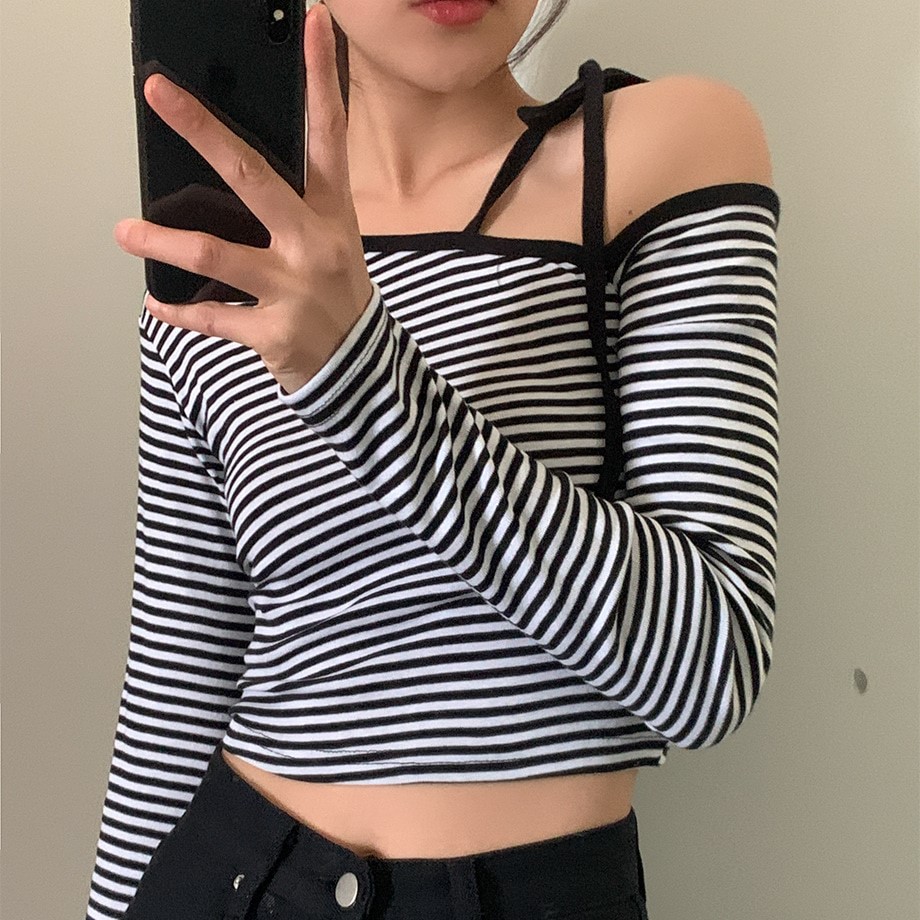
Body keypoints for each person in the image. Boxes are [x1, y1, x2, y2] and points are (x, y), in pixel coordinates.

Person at [87, 1, 780, 918]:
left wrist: (358, 374)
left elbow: (710, 668)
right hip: (238, 873)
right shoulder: (228, 239)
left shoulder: (661, 148)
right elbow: (175, 684)